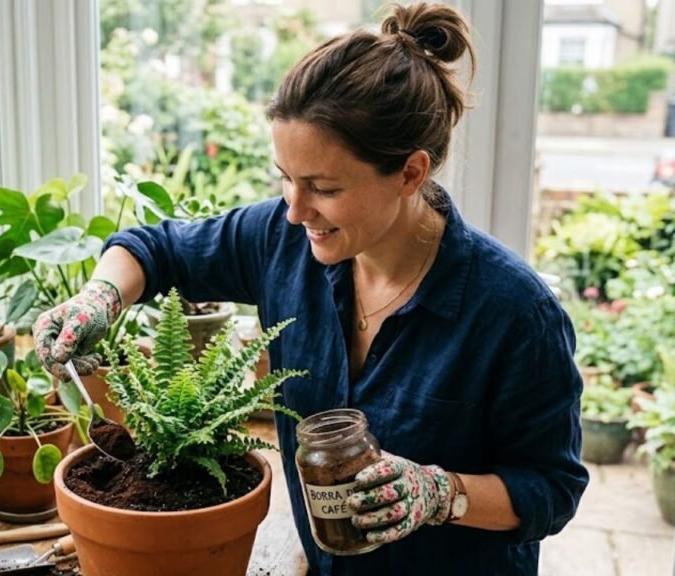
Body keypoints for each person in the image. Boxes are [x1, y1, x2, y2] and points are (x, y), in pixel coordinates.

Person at [34, 3, 588, 574]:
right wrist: (99, 297)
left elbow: (550, 487)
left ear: (410, 173)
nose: (296, 211)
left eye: (322, 187)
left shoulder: (516, 313)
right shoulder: (282, 239)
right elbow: (155, 249)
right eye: (285, 178)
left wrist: (440, 493)